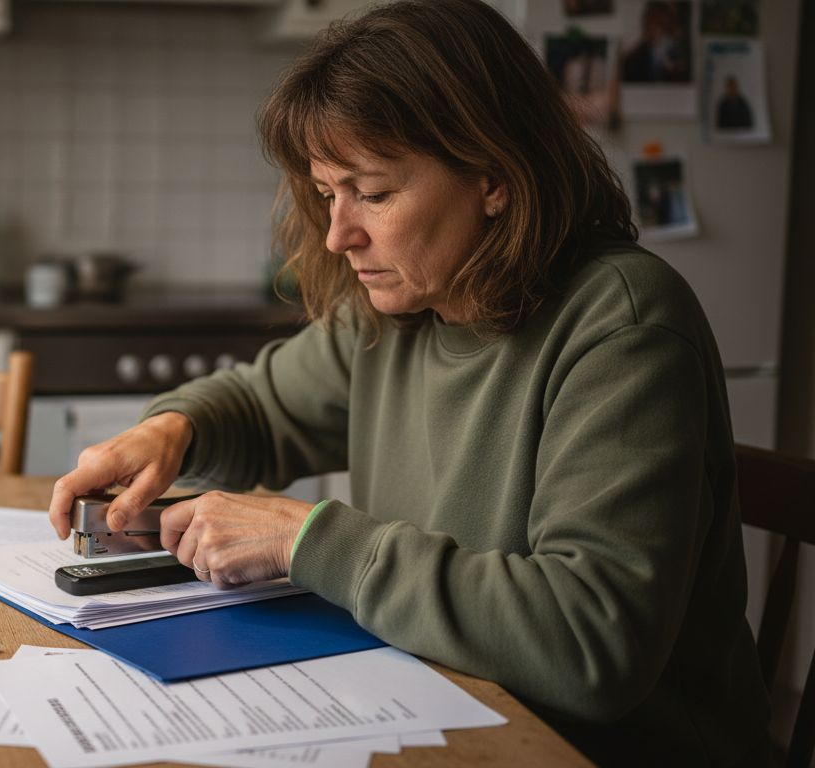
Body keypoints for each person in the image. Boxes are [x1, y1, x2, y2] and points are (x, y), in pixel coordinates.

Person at [47, 0, 771, 764]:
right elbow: (260, 405)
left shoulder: (621, 325)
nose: (338, 233)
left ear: (491, 176)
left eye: (375, 193)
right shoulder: (399, 309)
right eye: (329, 193)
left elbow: (592, 643)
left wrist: (306, 540)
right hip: (439, 712)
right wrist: (170, 429)